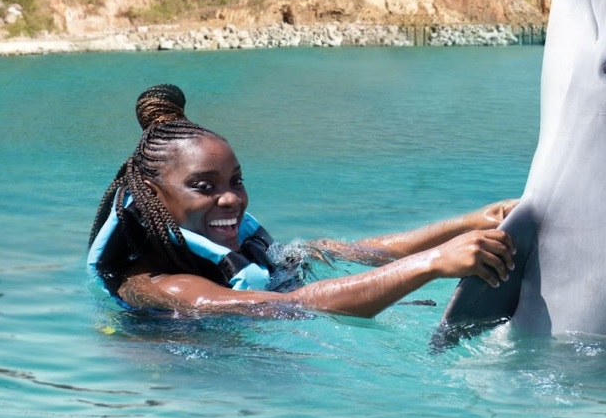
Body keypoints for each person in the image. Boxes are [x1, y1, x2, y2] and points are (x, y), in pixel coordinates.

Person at [88, 83, 517, 318]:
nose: (231, 199)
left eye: (236, 181)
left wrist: (471, 221)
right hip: (225, 396)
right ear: (152, 200)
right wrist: (433, 263)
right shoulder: (166, 287)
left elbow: (364, 251)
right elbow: (295, 305)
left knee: (322, 250)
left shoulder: (246, 254)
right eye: (205, 187)